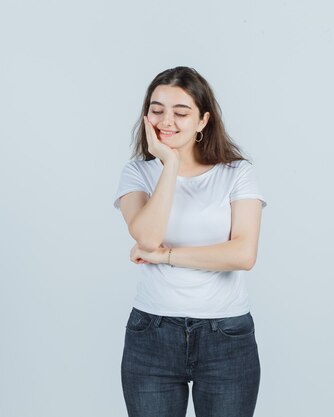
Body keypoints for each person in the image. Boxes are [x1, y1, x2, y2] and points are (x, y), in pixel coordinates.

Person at [112, 66, 268, 417]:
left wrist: (164, 255)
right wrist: (169, 163)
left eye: (181, 112)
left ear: (203, 121)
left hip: (226, 336)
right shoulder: (137, 172)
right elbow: (147, 236)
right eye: (156, 110)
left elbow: (243, 254)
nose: (166, 121)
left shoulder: (236, 173)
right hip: (152, 333)